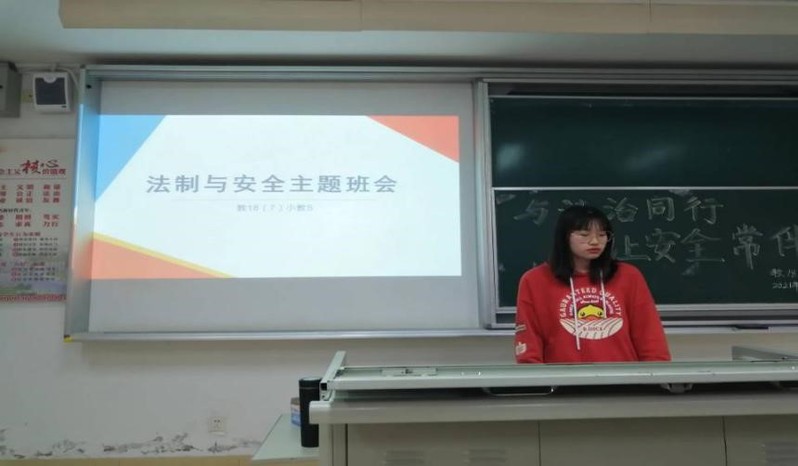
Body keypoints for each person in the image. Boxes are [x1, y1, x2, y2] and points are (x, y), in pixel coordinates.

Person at [514, 205, 671, 364]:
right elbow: (529, 340)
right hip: (562, 376)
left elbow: (649, 334)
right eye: (584, 235)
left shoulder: (628, 276)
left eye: (602, 235)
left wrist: (658, 372)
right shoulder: (535, 280)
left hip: (622, 375)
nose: (595, 241)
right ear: (564, 237)